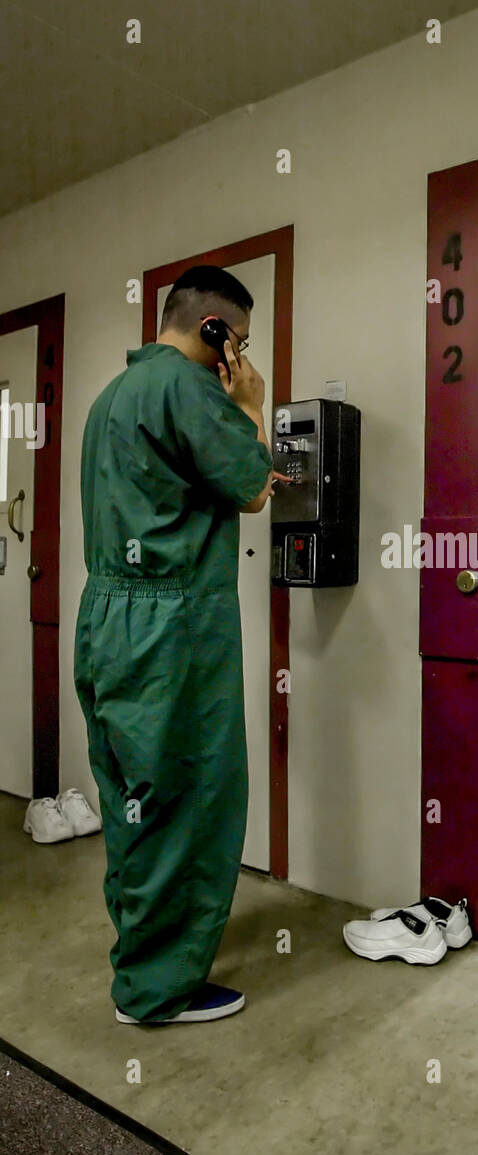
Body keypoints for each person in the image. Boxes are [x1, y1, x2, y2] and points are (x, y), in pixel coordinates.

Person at [74, 265, 288, 1024]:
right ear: (215, 331)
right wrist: (253, 406)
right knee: (189, 800)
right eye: (241, 340)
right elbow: (255, 486)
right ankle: (158, 990)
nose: (241, 354)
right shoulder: (191, 390)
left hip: (107, 615)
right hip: (172, 626)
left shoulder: (111, 398)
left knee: (133, 797)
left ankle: (142, 953)